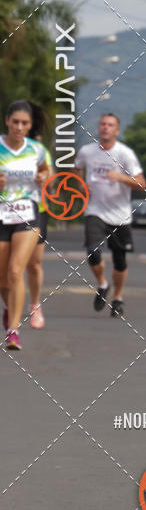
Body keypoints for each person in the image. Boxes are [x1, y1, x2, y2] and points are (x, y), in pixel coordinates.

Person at [75, 113, 146, 318]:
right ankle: (102, 284)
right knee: (92, 251)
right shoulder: (87, 151)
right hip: (94, 211)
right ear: (99, 128)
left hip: (120, 216)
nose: (105, 127)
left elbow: (142, 183)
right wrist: (81, 187)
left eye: (110, 125)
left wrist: (121, 177)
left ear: (117, 130)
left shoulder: (125, 153)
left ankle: (117, 298)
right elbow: (76, 169)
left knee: (120, 261)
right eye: (103, 124)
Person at [0, 101, 49, 350]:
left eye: (25, 123)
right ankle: (10, 309)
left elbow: (46, 171)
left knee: (16, 270)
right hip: (1, 216)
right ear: (7, 120)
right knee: (3, 280)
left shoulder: (37, 149)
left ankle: (13, 330)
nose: (19, 127)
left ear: (30, 126)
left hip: (28, 214)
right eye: (15, 122)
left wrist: (43, 177)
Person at [26, 135, 53, 329]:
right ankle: (10, 308)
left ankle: (35, 304)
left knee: (34, 264)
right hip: (8, 211)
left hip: (37, 211)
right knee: (10, 266)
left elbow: (50, 181)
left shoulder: (41, 151)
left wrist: (43, 178)